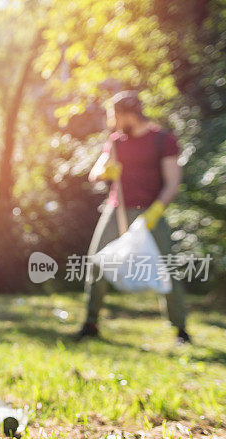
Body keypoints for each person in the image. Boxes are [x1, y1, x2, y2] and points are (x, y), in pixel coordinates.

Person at [75, 91, 190, 345]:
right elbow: (94, 173)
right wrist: (105, 171)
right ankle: (90, 323)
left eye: (114, 116)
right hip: (116, 210)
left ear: (128, 114)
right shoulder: (116, 142)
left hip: (151, 211)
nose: (112, 122)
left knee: (167, 268)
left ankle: (180, 329)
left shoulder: (163, 140)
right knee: (96, 263)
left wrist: (156, 211)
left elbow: (173, 181)